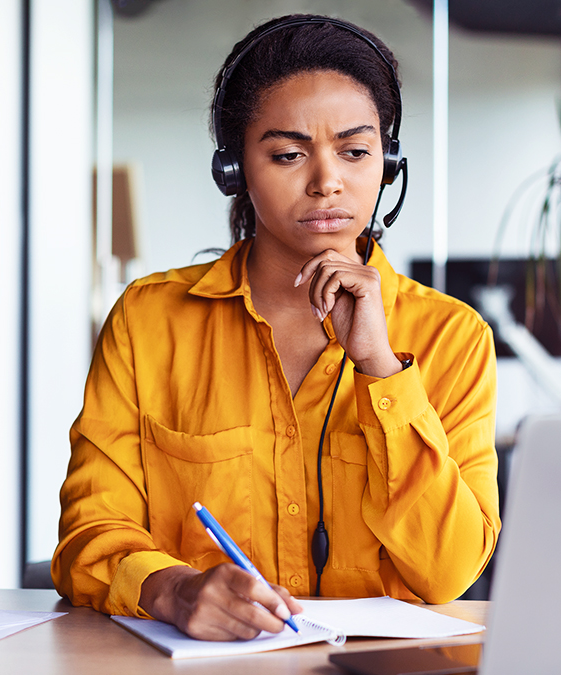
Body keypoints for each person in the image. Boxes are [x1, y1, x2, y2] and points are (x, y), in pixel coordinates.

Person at [52, 14, 500, 642]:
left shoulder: (455, 337)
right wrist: (174, 591)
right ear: (233, 170)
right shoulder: (148, 321)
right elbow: (89, 534)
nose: (327, 182)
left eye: (355, 151)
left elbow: (448, 571)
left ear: (388, 163)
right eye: (288, 154)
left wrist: (379, 367)